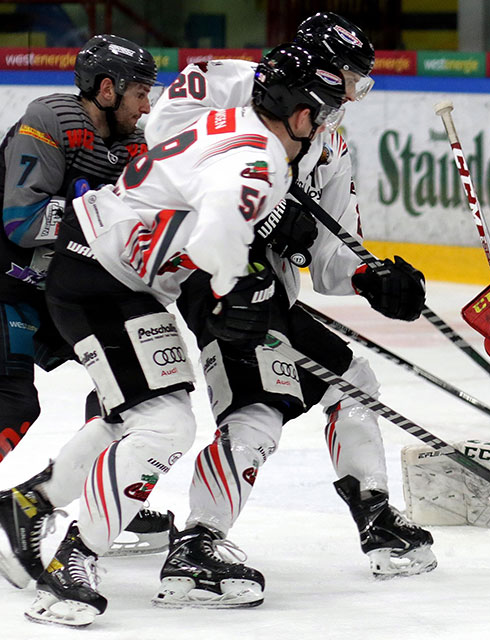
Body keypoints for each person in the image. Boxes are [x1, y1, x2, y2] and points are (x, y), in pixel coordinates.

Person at [16, 42, 345, 628]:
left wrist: (232, 286)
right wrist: (230, 286)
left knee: (134, 415)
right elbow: (220, 224)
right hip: (99, 278)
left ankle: (27, 503)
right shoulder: (261, 158)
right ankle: (73, 562)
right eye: (323, 115)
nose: (323, 129)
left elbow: (171, 119)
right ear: (301, 116)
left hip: (118, 274)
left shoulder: (217, 120)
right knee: (166, 423)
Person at [143, 11, 435, 598]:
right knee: (259, 404)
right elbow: (160, 149)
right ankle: (198, 542)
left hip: (260, 285)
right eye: (350, 78)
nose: (353, 94)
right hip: (199, 270)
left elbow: (331, 255)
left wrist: (370, 280)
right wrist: (260, 202)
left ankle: (374, 515)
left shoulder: (328, 140)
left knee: (348, 378)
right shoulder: (222, 83)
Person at [0, 34, 175, 593]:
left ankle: (100, 490)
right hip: (6, 284)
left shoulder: (134, 143)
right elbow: (21, 224)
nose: (148, 107)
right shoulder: (48, 119)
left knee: (123, 384)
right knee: (14, 400)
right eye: (141, 93)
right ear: (107, 89)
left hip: (56, 289)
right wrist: (106, 216)